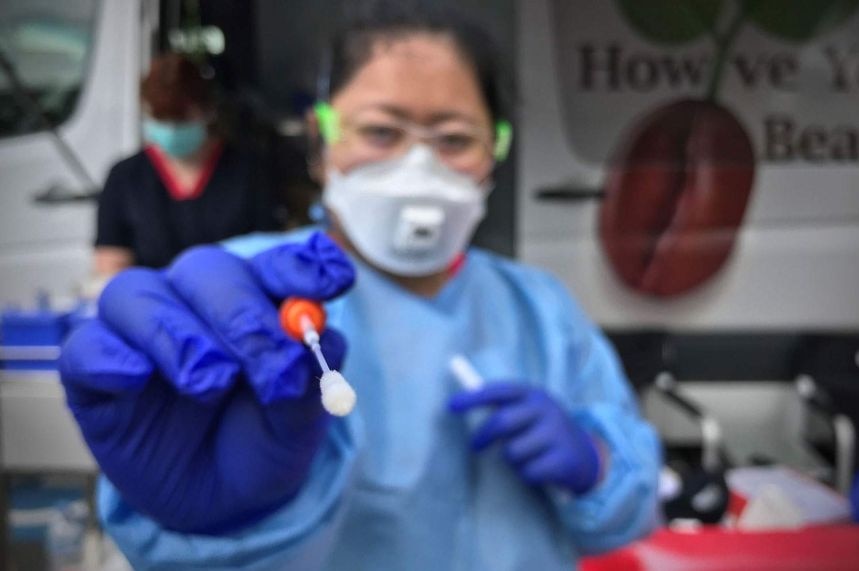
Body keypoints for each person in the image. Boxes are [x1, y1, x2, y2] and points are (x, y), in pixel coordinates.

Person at [59, 2, 662, 569]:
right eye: (380, 131)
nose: (416, 166)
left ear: (493, 153)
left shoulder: (541, 309)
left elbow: (628, 518)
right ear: (321, 143)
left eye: (454, 139)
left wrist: (596, 468)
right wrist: (213, 520)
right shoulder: (243, 299)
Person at [93, 53, 281, 276]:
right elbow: (111, 265)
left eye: (181, 119)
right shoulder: (125, 177)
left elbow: (268, 252)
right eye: (161, 119)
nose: (171, 129)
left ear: (208, 110)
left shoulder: (248, 170)